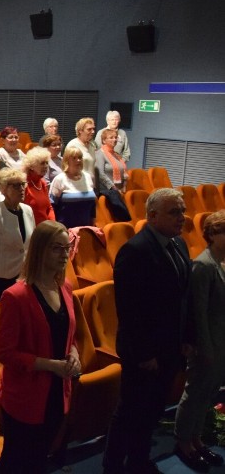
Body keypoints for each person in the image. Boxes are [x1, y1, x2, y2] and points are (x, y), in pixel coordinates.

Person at [103, 188, 191, 474]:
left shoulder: (179, 245)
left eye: (183, 210)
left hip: (169, 349)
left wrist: (185, 339)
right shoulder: (135, 251)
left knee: (152, 411)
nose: (182, 217)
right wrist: (144, 353)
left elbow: (182, 298)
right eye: (174, 212)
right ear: (152, 216)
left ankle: (139, 461)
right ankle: (113, 466)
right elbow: (129, 310)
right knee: (129, 413)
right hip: (144, 354)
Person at [0, 221, 81, 473]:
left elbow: (68, 336)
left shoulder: (65, 288)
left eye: (67, 248)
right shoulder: (15, 295)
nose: (65, 254)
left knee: (38, 457)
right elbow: (5, 353)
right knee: (16, 461)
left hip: (56, 392)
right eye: (57, 248)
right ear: (40, 250)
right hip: (25, 396)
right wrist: (50, 365)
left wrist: (73, 353)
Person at [174, 210, 225, 471]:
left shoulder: (221, 262)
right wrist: (205, 348)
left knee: (208, 393)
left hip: (220, 340)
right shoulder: (204, 265)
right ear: (214, 234)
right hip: (208, 343)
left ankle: (196, 439)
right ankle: (183, 442)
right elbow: (198, 312)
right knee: (194, 393)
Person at [0, 168, 35, 305]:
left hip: (24, 278)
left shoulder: (27, 210)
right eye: (15, 185)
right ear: (3, 189)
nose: (21, 189)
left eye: (22, 184)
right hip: (1, 281)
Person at [49, 146, 96, 229]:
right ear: (67, 161)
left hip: (86, 228)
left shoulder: (88, 177)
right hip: (65, 229)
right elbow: (52, 206)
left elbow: (92, 207)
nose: (78, 160)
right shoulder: (59, 179)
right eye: (74, 158)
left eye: (80, 157)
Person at [22, 146, 55, 225]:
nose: (46, 166)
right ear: (31, 166)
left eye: (47, 163)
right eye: (42, 163)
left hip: (46, 228)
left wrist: (53, 224)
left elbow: (49, 208)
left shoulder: (42, 183)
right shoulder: (24, 184)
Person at [95, 128, 129, 196]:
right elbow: (101, 174)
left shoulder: (116, 155)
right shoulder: (100, 153)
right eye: (111, 138)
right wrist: (114, 188)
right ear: (104, 140)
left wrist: (123, 188)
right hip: (107, 192)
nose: (114, 139)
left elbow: (124, 173)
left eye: (116, 137)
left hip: (120, 191)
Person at [65, 117, 97, 182]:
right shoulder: (73, 145)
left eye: (93, 129)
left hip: (90, 185)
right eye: (89, 129)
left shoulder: (92, 145)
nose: (93, 132)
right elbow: (67, 167)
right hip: (77, 183)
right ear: (80, 131)